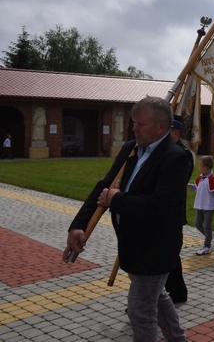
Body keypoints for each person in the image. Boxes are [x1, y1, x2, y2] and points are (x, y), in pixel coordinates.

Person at [62, 96, 189, 341]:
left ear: (162, 127)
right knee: (157, 297)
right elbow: (104, 185)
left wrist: (116, 200)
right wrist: (78, 225)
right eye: (133, 123)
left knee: (141, 312)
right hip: (130, 244)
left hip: (155, 249)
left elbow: (159, 206)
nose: (134, 128)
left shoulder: (175, 157)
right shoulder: (130, 148)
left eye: (141, 124)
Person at [163, 118, 192, 305]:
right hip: (158, 214)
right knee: (166, 254)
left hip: (171, 211)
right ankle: (170, 292)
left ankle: (178, 292)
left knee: (171, 254)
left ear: (176, 133)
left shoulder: (183, 154)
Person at [188, 155, 214, 256]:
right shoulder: (201, 178)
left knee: (206, 225)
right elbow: (198, 187)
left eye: (200, 165)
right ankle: (209, 236)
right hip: (200, 205)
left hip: (209, 207)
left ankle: (207, 245)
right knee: (198, 224)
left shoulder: (213, 179)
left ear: (206, 167)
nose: (198, 167)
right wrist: (189, 186)